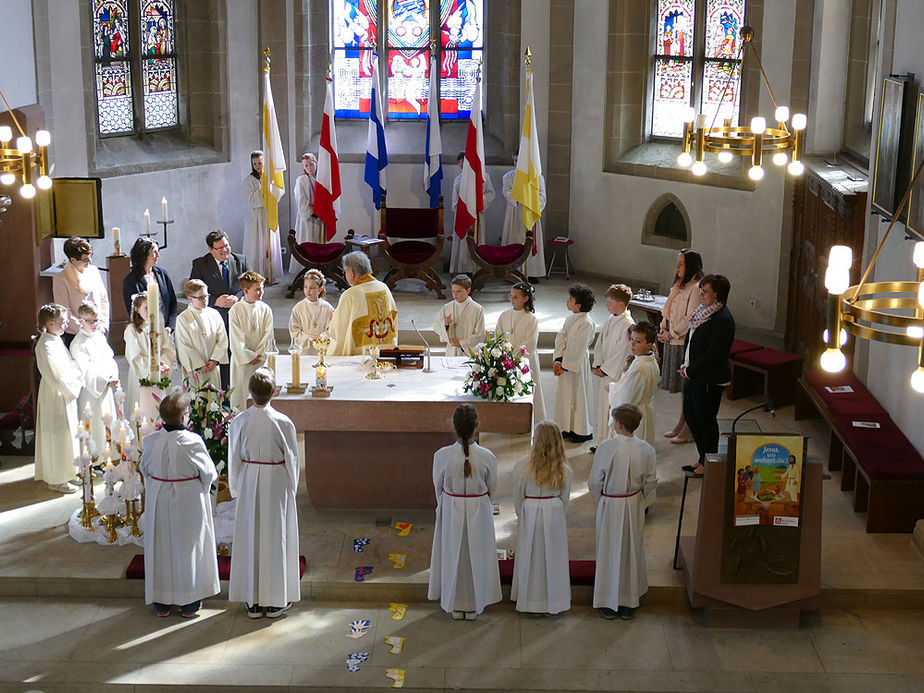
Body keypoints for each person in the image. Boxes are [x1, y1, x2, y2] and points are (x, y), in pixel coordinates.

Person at [139, 392, 220, 618]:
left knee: (162, 547)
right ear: (184, 417)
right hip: (187, 500)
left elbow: (144, 469)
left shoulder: (151, 441)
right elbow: (209, 473)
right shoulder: (192, 441)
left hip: (159, 497)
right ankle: (189, 602)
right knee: (187, 548)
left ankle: (162, 601)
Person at [228, 369, 300, 619]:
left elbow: (233, 458)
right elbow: (292, 458)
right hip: (276, 480)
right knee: (274, 537)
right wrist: (292, 487)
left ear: (250, 392)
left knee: (251, 536)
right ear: (274, 392)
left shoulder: (239, 421)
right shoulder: (282, 422)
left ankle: (253, 601)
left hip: (249, 478)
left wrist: (238, 487)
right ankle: (275, 601)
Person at [428, 403, 502, 620]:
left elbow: (437, 487)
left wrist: (448, 504)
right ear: (477, 425)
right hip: (479, 509)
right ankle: (474, 603)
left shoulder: (442, 455)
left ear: (454, 426)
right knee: (476, 555)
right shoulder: (488, 456)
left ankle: (455, 603)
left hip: (452, 507)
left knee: (454, 555)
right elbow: (492, 488)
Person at [588, 404, 657, 620]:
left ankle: (609, 602)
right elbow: (651, 481)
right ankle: (629, 601)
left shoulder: (606, 447)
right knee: (631, 549)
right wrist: (639, 501)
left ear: (618, 424)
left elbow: (594, 481)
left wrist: (604, 500)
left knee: (609, 550)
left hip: (611, 503)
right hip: (634, 502)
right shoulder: (646, 448)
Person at [511, 420, 572, 615]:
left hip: (529, 512)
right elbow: (565, 499)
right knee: (553, 559)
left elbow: (517, 497)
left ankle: (530, 601)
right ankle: (552, 602)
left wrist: (525, 515)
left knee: (530, 558)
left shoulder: (521, 466)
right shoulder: (564, 469)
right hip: (554, 512)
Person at [680, 274, 736, 476]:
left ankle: (709, 462)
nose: (701, 294)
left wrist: (690, 370)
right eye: (701, 290)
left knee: (705, 420)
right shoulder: (704, 312)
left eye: (705, 291)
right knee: (691, 416)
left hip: (709, 379)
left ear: (717, 294)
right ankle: (702, 457)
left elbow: (715, 355)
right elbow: (694, 341)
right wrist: (686, 365)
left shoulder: (722, 320)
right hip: (694, 374)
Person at [189, 230, 252, 389]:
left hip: (238, 314)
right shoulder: (200, 264)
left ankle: (240, 387)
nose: (225, 250)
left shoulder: (240, 260)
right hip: (214, 315)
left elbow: (250, 284)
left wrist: (237, 297)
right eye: (220, 248)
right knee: (221, 354)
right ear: (211, 249)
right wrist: (215, 300)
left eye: (227, 245)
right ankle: (223, 389)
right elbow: (192, 290)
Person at [34, 304, 83, 494]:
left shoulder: (55, 339)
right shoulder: (45, 344)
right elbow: (56, 374)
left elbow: (68, 363)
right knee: (57, 435)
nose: (66, 324)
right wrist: (73, 383)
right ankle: (57, 479)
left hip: (65, 391)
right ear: (51, 323)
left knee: (67, 434)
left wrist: (77, 375)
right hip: (55, 393)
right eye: (62, 322)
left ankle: (69, 472)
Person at [658, 249, 704, 445]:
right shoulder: (680, 286)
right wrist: (662, 328)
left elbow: (691, 318)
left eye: (681, 263)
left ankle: (689, 427)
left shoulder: (696, 288)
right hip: (671, 340)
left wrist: (673, 333)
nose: (677, 267)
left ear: (691, 265)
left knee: (688, 388)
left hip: (683, 342)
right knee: (682, 389)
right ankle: (681, 423)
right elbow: (666, 311)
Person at [69, 302, 119, 455]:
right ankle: (95, 459)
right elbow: (87, 371)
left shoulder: (99, 337)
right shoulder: (78, 343)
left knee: (108, 422)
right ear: (80, 321)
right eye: (88, 321)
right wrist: (105, 380)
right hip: (92, 392)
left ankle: (110, 456)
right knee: (95, 425)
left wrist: (113, 374)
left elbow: (110, 358)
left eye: (95, 320)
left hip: (106, 387)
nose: (93, 324)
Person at [328, 251, 398, 356]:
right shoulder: (384, 287)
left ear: (352, 273)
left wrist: (334, 318)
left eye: (345, 271)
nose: (345, 274)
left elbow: (338, 329)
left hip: (360, 354)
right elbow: (393, 317)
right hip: (384, 349)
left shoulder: (350, 294)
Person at [495, 282, 545, 426]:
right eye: (511, 296)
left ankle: (532, 421)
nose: (512, 299)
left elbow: (531, 343)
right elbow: (498, 335)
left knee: (529, 389)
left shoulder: (531, 319)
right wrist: (504, 351)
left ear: (525, 298)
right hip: (506, 360)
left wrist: (513, 353)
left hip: (525, 360)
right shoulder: (504, 315)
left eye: (516, 297)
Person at [591, 284, 634, 446]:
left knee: (612, 409)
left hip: (615, 375)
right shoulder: (611, 318)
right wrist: (599, 363)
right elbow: (600, 342)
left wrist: (605, 369)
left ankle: (611, 443)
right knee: (603, 409)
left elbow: (622, 353)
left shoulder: (628, 325)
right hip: (605, 372)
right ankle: (603, 441)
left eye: (610, 302)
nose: (607, 305)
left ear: (621, 305)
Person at [553, 283, 596, 443]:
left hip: (575, 364)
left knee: (577, 395)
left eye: (571, 299)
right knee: (566, 395)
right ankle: (567, 427)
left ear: (578, 305)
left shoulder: (586, 323)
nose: (567, 301)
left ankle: (580, 430)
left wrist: (564, 364)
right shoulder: (571, 318)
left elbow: (578, 346)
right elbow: (561, 337)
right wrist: (558, 358)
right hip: (565, 360)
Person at [607, 321, 660, 447]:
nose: (632, 344)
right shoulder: (651, 360)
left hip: (634, 414)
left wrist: (612, 388)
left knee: (630, 452)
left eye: (638, 341)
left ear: (649, 345)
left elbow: (626, 396)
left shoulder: (639, 367)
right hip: (645, 409)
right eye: (631, 339)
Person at [123, 292, 176, 418]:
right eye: (146, 308)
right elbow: (134, 357)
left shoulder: (159, 326)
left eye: (153, 307)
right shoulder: (131, 330)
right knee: (142, 410)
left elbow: (168, 349)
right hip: (141, 375)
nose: (150, 311)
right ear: (136, 309)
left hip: (160, 372)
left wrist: (163, 363)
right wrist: (153, 367)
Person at [228, 271, 274, 411]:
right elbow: (236, 339)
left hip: (261, 361)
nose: (262, 292)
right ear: (246, 290)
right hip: (243, 364)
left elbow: (268, 334)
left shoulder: (265, 309)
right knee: (242, 399)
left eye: (262, 288)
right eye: (258, 289)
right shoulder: (235, 310)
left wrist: (259, 355)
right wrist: (250, 356)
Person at [52, 236, 111, 346]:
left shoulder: (94, 271)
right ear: (72, 260)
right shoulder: (61, 279)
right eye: (85, 259)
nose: (90, 261)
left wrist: (103, 325)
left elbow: (103, 299)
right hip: (77, 335)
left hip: (99, 331)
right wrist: (85, 330)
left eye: (90, 256)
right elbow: (64, 311)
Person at [174, 279, 229, 391]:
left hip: (212, 366)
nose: (205, 300)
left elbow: (222, 339)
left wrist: (214, 359)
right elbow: (184, 346)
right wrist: (199, 365)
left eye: (206, 296)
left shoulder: (214, 314)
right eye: (200, 298)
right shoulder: (183, 318)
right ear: (190, 299)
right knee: (197, 399)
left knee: (214, 400)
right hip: (196, 370)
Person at [450, 151, 496, 275]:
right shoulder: (458, 179)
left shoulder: (483, 176)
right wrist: (462, 206)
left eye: (463, 161)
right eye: (459, 162)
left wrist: (478, 201)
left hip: (477, 215)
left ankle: (476, 269)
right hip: (462, 216)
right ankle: (462, 269)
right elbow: (455, 199)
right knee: (463, 242)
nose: (460, 164)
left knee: (477, 240)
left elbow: (491, 193)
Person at [501, 153, 547, 279]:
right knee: (514, 241)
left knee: (530, 241)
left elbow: (542, 196)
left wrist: (531, 202)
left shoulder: (537, 177)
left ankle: (531, 273)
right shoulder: (508, 177)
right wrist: (521, 198)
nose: (517, 163)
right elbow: (506, 192)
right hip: (515, 214)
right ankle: (512, 271)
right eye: (515, 161)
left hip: (530, 212)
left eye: (519, 161)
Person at [243, 150, 283, 284]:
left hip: (269, 214)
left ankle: (271, 273)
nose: (258, 166)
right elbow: (252, 200)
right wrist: (263, 189)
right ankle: (258, 274)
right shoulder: (249, 180)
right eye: (255, 164)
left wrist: (270, 186)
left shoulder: (270, 177)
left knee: (270, 244)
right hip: (258, 216)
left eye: (260, 163)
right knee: (258, 245)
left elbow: (278, 193)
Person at [122, 237, 178, 333]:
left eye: (158, 251)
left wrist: (169, 327)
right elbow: (132, 311)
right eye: (154, 252)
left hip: (166, 330)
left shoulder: (163, 274)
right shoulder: (131, 280)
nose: (158, 255)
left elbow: (173, 302)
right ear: (143, 255)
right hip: (146, 331)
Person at [431, 274, 485, 357]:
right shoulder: (447, 307)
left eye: (459, 291)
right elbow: (436, 325)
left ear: (468, 290)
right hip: (451, 351)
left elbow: (480, 335)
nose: (455, 295)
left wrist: (461, 342)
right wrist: (445, 325)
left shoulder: (477, 309)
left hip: (469, 352)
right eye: (453, 291)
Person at [289, 153, 322, 273]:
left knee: (318, 242)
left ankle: (319, 269)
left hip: (319, 217)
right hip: (307, 218)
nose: (309, 168)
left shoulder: (321, 179)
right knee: (307, 241)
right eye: (306, 166)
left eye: (311, 165)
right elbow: (301, 200)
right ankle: (305, 270)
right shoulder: (301, 180)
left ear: (316, 163)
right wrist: (312, 212)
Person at [288, 269, 334, 353]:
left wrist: (322, 337)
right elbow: (294, 330)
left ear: (320, 289)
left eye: (312, 288)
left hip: (322, 346)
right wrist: (308, 339)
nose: (308, 291)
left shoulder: (327, 308)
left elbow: (332, 328)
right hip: (304, 347)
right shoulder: (298, 307)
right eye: (305, 287)